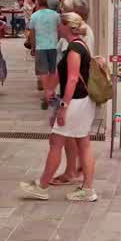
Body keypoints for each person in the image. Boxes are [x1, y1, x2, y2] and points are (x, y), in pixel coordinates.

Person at [20, 11, 98, 202]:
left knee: (56, 142)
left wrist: (63, 106)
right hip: (83, 101)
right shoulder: (80, 45)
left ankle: (42, 186)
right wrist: (51, 88)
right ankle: (87, 189)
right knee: (83, 144)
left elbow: (72, 79)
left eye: (59, 24)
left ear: (66, 26)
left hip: (75, 103)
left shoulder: (74, 49)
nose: (57, 27)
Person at [50, 0, 95, 186]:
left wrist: (63, 104)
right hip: (73, 94)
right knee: (78, 140)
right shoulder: (81, 33)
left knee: (66, 138)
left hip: (74, 94)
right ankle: (78, 174)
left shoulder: (78, 38)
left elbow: (73, 75)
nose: (61, 14)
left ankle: (71, 174)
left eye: (64, 10)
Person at [27, 0, 61, 109]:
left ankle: (47, 95)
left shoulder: (34, 16)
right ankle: (52, 93)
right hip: (54, 46)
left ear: (37, 4)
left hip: (41, 47)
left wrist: (32, 47)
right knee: (52, 71)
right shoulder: (56, 15)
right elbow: (60, 30)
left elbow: (32, 33)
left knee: (43, 73)